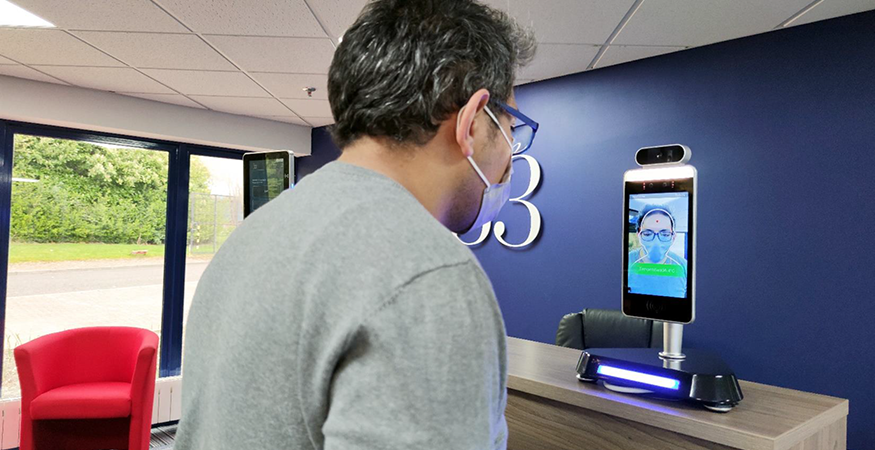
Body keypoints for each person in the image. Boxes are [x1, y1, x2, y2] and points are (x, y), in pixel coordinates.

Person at [175, 1, 536, 449]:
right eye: (509, 128)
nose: (509, 155)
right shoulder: (428, 275)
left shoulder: (253, 234)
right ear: (470, 123)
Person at [628, 205, 688, 298]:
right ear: (638, 235)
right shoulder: (625, 263)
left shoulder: (684, 267)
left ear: (673, 237)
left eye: (665, 234)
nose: (656, 242)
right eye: (648, 233)